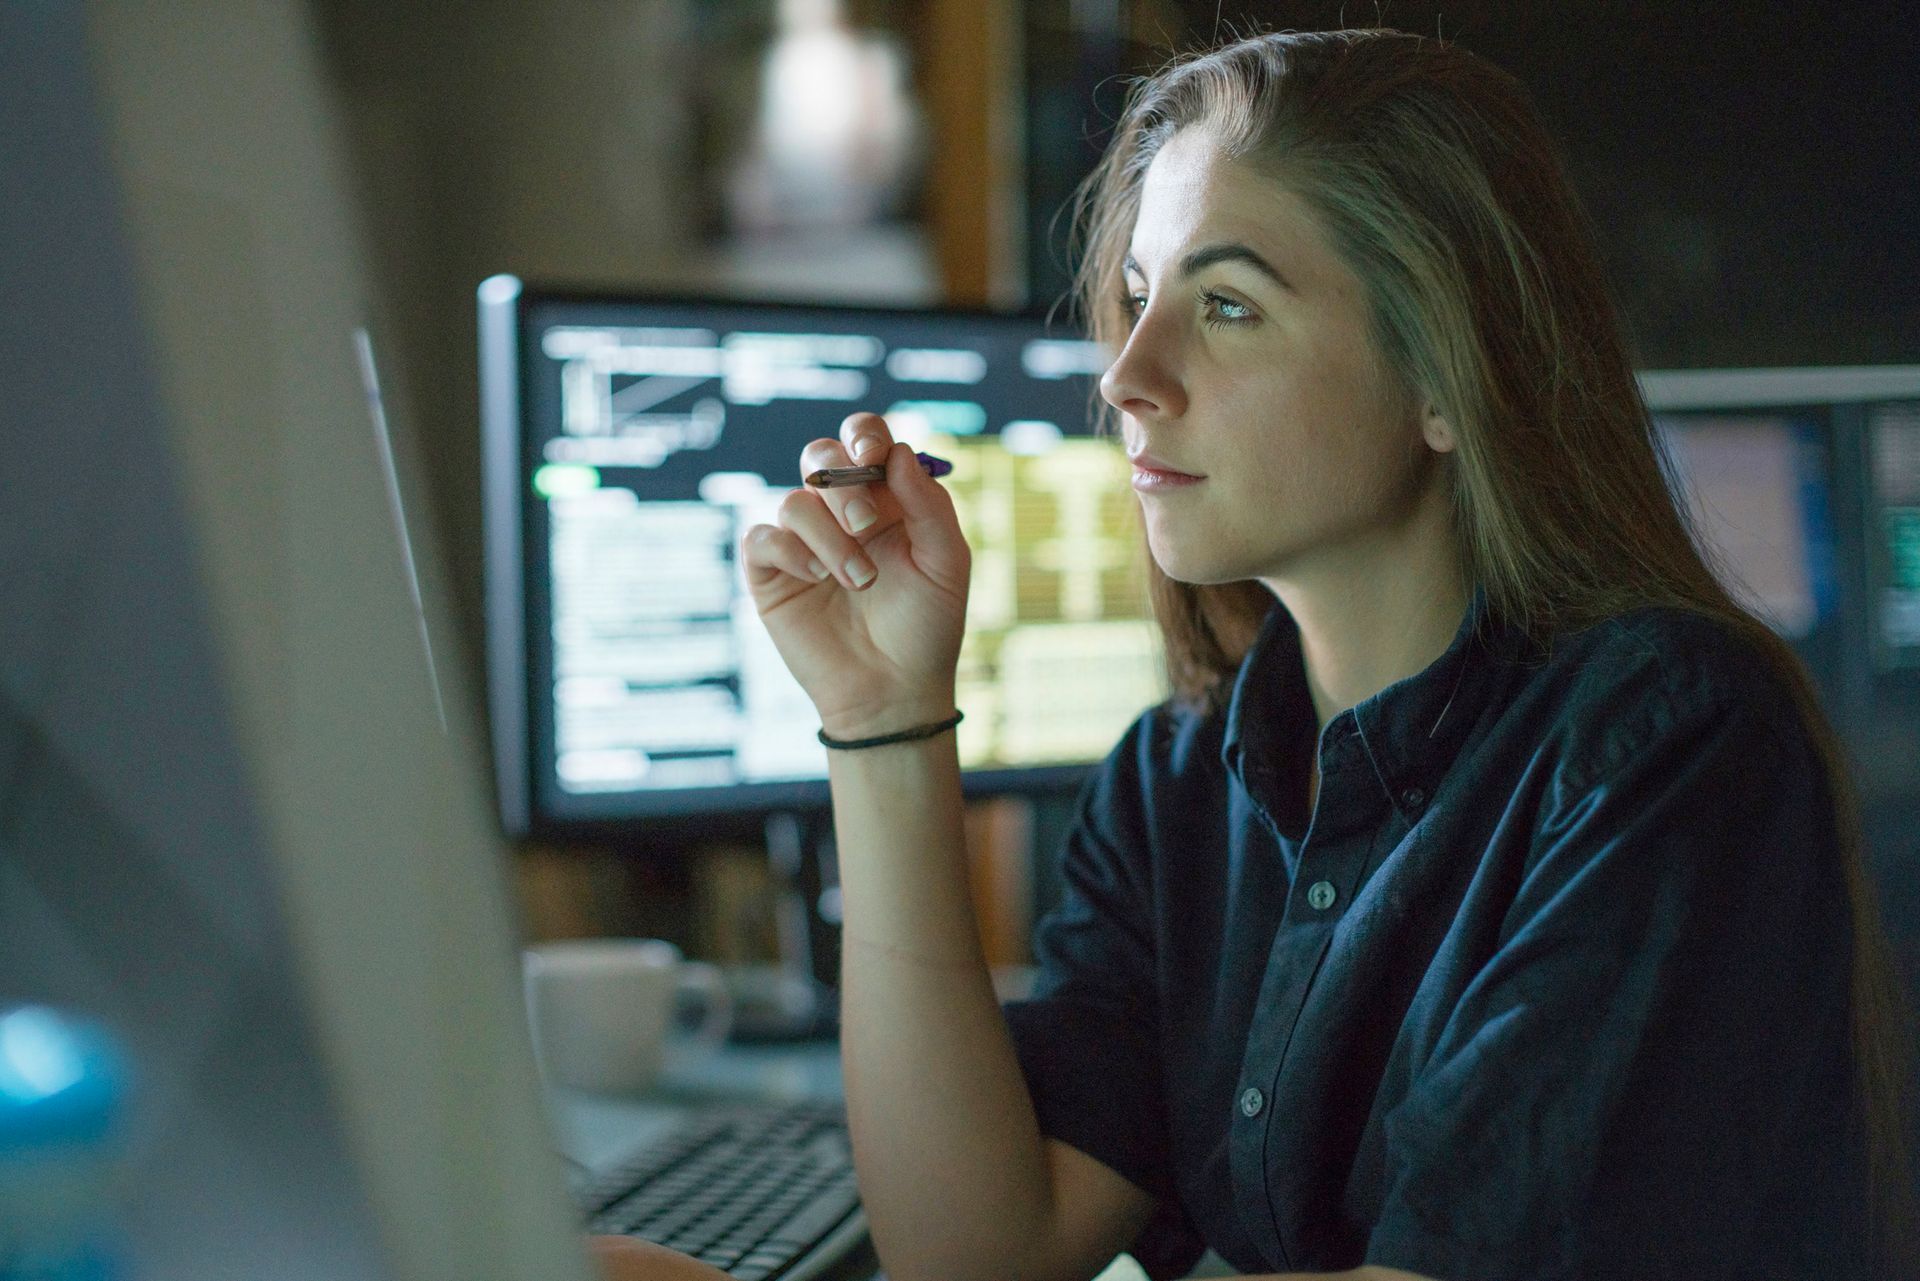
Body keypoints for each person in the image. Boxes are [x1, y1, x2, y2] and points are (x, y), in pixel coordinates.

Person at [606, 26, 1919, 1281]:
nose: (1124, 375)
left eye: (1226, 305)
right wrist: (885, 721)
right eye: (1133, 298)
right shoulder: (1177, 780)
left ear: (1449, 377)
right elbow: (979, 1250)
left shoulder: (1669, 739)